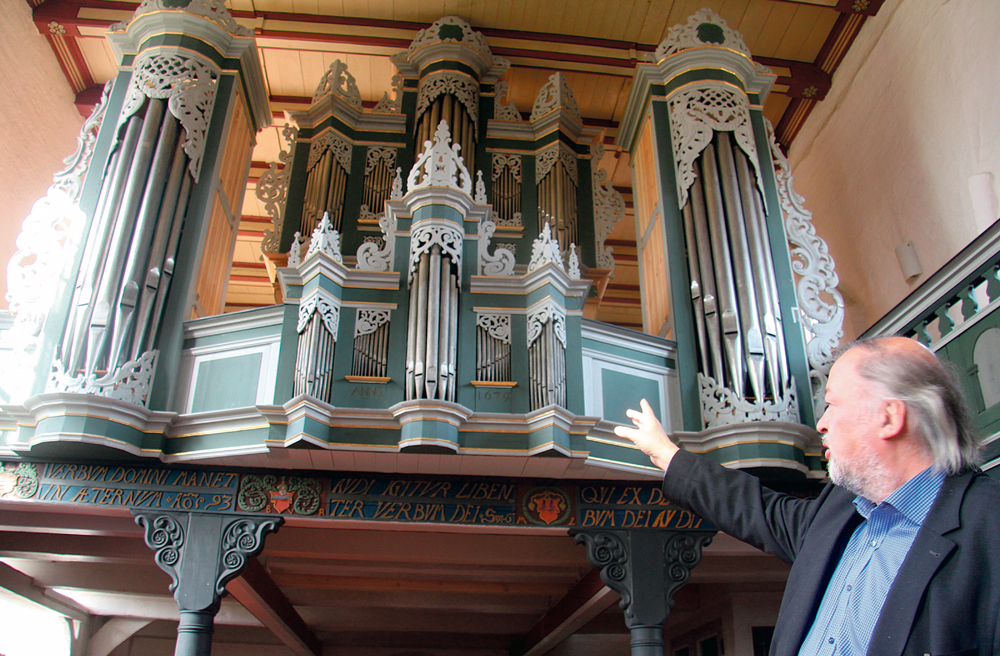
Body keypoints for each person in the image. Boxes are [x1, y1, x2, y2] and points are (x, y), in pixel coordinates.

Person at [615, 336, 1000, 656]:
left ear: (889, 417)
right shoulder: (840, 510)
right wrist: (666, 454)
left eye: (832, 403)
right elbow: (756, 509)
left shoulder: (989, 527)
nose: (821, 423)